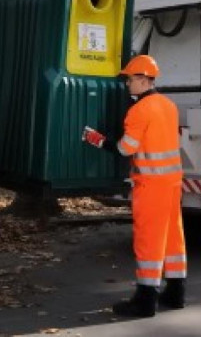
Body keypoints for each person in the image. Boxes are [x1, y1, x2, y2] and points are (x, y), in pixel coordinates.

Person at [82, 54, 186, 317]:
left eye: (130, 79)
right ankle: (175, 293)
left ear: (142, 79)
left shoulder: (139, 110)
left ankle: (145, 300)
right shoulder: (169, 105)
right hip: (173, 183)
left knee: (148, 240)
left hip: (150, 184)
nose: (127, 84)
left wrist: (98, 140)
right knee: (173, 238)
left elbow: (125, 147)